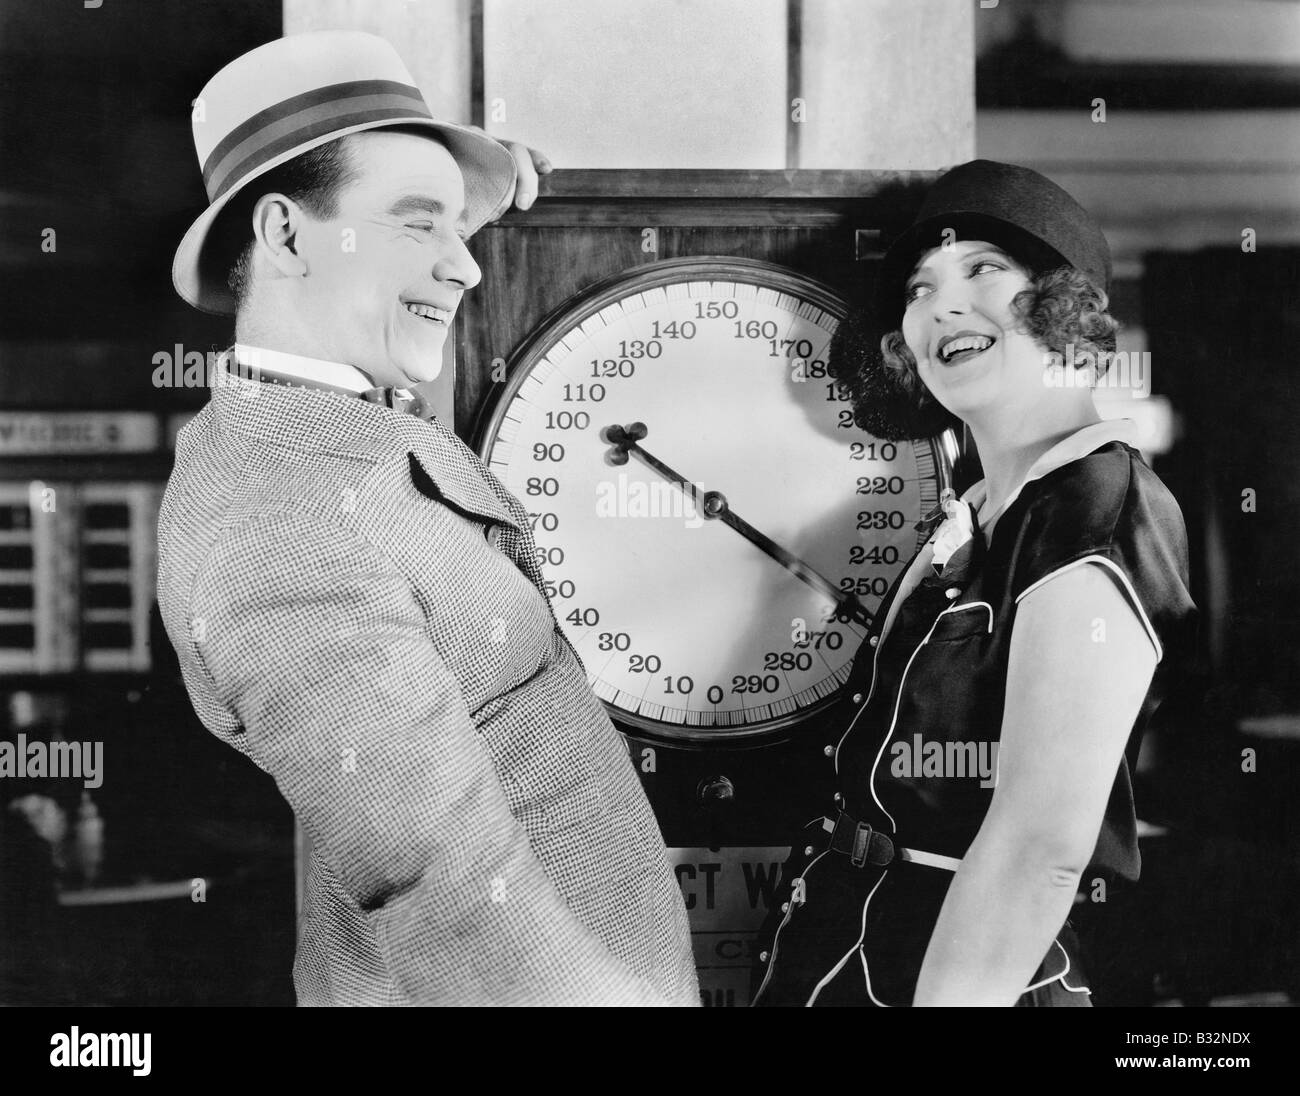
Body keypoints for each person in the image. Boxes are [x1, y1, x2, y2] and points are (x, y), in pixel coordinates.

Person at [156, 30, 698, 1006]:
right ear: (283, 236)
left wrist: (454, 194)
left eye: (462, 230)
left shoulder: (309, 427)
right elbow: (449, 891)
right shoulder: (281, 534)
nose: (471, 268)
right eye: (418, 226)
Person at [751, 160, 1196, 1007]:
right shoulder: (982, 512)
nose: (939, 305)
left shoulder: (1098, 507)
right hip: (841, 944)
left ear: (1064, 305)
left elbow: (1040, 848)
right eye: (918, 288)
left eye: (982, 269)